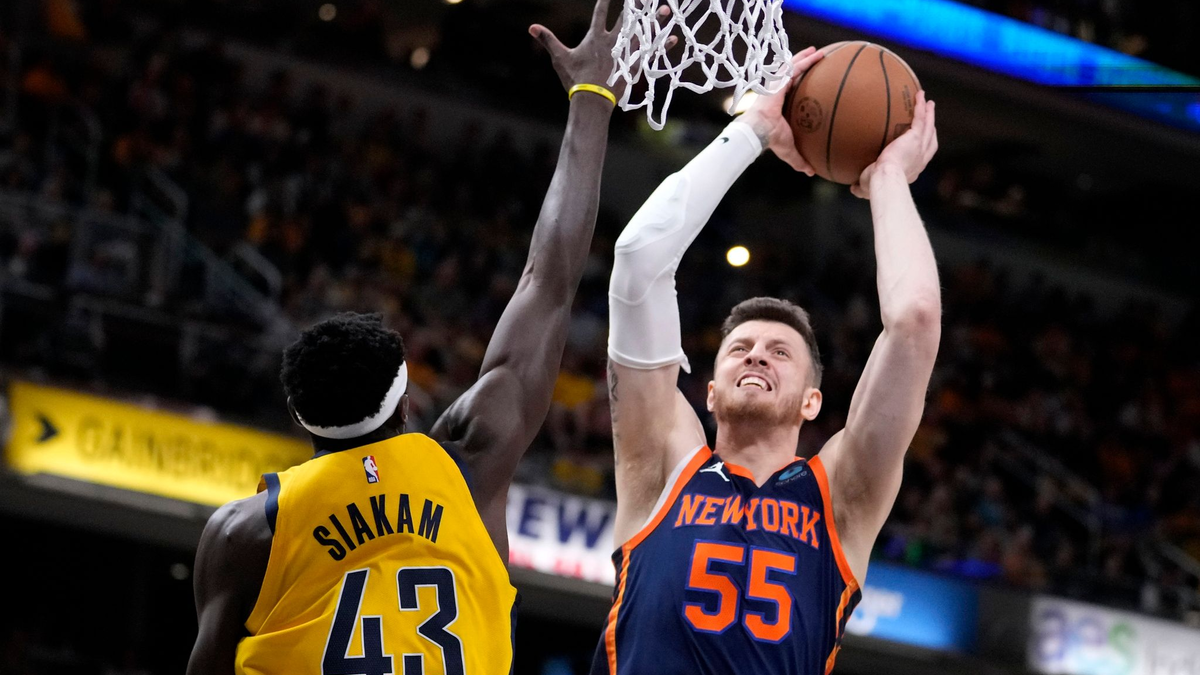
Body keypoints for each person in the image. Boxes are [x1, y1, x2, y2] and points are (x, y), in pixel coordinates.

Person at [185, 1, 631, 672]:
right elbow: (549, 282)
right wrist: (591, 99)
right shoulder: (466, 465)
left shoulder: (245, 531)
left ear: (301, 417)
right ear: (405, 400)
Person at [593, 47, 942, 675]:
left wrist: (889, 178)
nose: (756, 354)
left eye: (780, 352)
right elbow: (639, 261)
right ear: (709, 391)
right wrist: (754, 128)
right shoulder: (661, 464)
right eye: (739, 349)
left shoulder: (840, 497)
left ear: (812, 401)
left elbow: (914, 319)